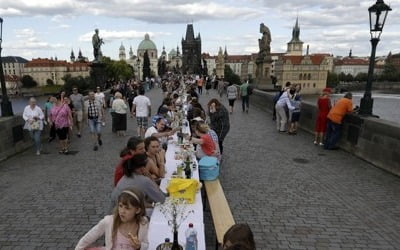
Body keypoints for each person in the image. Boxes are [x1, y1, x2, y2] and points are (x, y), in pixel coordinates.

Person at [75, 188, 149, 250]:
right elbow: (89, 237)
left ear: (137, 210)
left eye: (127, 208)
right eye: (120, 206)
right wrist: (78, 248)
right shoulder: (109, 221)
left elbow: (147, 245)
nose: (122, 211)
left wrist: (139, 246)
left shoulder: (143, 224)